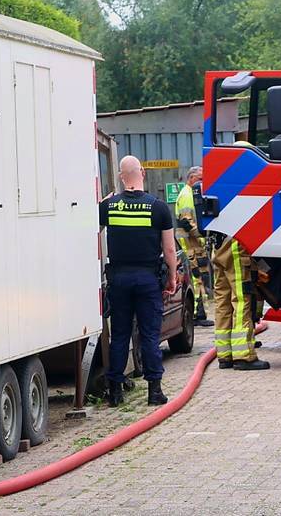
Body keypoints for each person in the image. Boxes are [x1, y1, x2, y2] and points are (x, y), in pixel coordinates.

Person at [99, 156, 177, 406]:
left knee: (120, 334)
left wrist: (100, 205)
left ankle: (115, 392)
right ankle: (154, 392)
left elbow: (89, 230)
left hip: (119, 279)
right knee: (149, 335)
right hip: (147, 279)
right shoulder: (159, 207)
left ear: (122, 177)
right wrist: (172, 277)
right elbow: (170, 250)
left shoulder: (110, 206)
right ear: (142, 172)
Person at [211, 235, 270, 370]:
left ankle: (225, 355)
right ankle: (244, 356)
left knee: (223, 302)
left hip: (219, 245)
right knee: (241, 300)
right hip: (235, 245)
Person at [174, 166, 213, 327]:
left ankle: (200, 312)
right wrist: (203, 237)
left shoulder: (193, 193)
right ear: (191, 179)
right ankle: (197, 314)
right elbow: (187, 222)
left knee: (201, 277)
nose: (202, 182)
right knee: (196, 277)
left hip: (195, 243)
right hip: (190, 243)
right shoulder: (186, 195)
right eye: (200, 179)